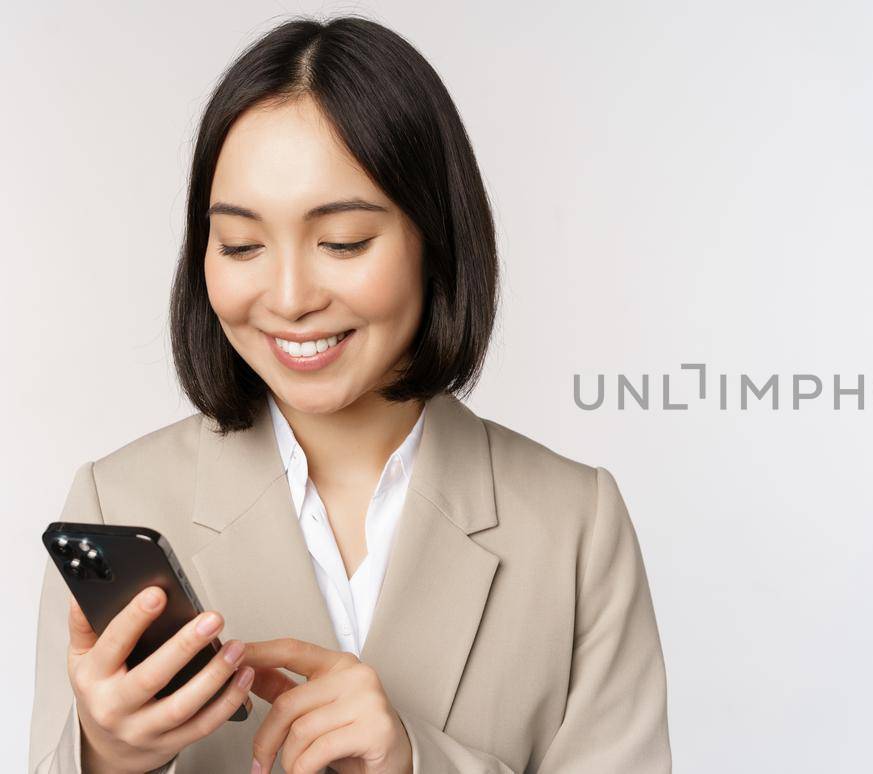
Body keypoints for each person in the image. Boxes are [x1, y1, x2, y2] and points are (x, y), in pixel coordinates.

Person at [28, 16, 671, 774]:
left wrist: (416, 761)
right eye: (240, 245)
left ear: (435, 238)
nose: (291, 297)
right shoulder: (118, 502)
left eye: (342, 242)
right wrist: (105, 755)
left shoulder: (574, 528)